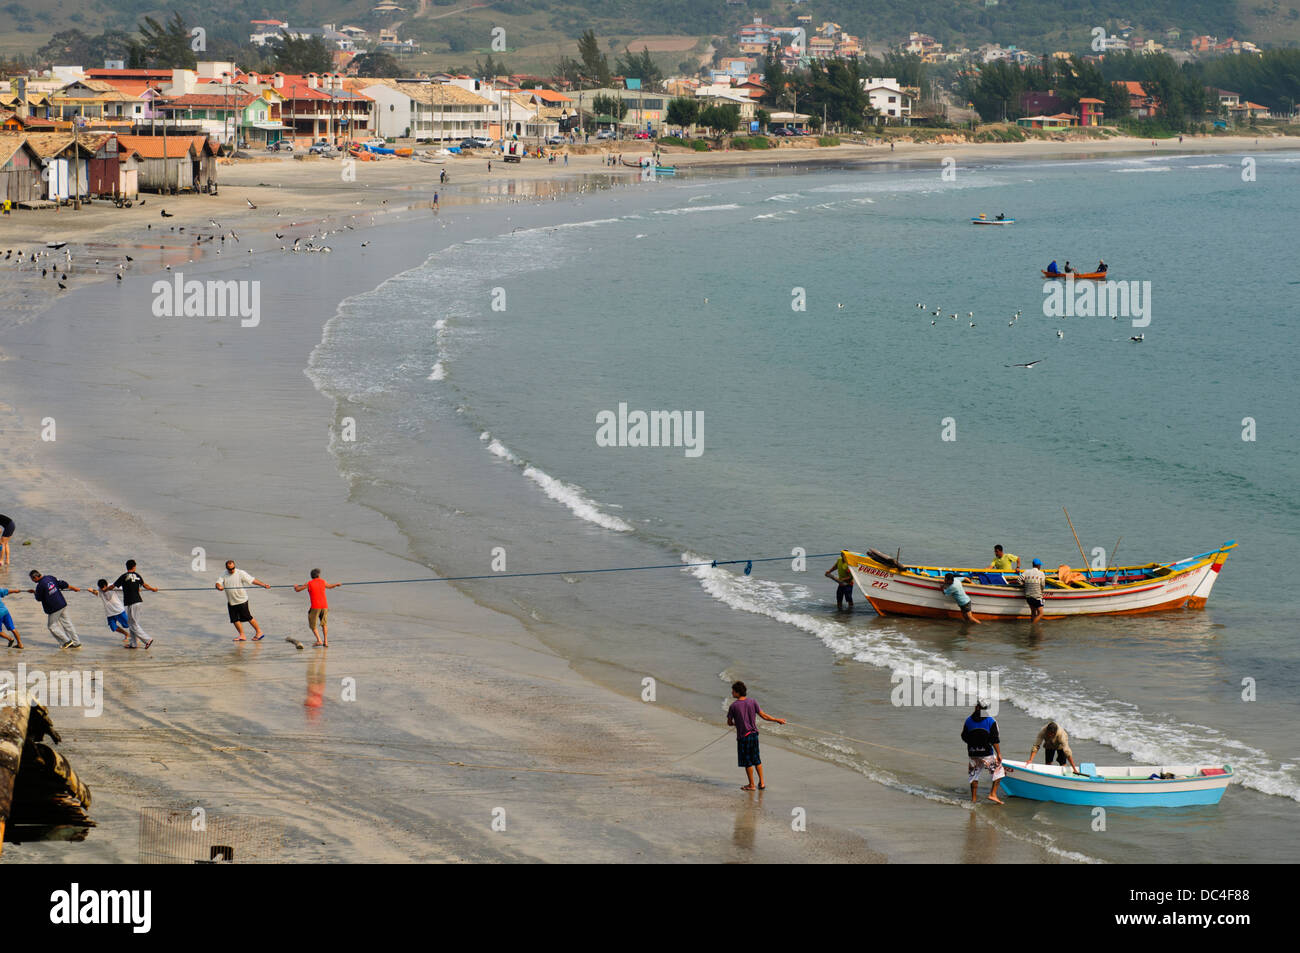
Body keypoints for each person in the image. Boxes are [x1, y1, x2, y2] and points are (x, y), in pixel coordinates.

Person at [726, 680, 786, 791]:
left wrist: (736, 723)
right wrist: (777, 720)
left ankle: (752, 785)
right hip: (754, 735)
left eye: (733, 691)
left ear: (737, 692)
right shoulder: (752, 702)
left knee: (747, 761)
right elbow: (764, 716)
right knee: (756, 759)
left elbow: (729, 723)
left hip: (743, 737)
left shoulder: (733, 706)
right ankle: (762, 783)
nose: (732, 693)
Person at [215, 560, 271, 641]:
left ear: (234, 566)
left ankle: (259, 632)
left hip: (241, 600)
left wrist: (264, 585)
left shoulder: (240, 573)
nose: (232, 570)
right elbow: (218, 583)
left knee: (248, 617)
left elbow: (252, 580)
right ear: (227, 568)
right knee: (234, 619)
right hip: (231, 601)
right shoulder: (224, 574)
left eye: (233, 568)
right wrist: (218, 586)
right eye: (230, 569)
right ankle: (242, 635)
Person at [108, 559, 156, 649]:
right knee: (132, 623)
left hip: (132, 602)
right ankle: (133, 644)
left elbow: (113, 586)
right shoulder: (137, 575)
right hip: (137, 601)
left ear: (127, 567)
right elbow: (145, 585)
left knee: (133, 624)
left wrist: (105, 589)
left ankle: (148, 639)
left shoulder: (123, 576)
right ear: (134, 567)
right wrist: (153, 589)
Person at [27, 569, 82, 648]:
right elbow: (63, 584)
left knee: (52, 626)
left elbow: (38, 598)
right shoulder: (50, 577)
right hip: (62, 604)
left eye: (32, 579)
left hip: (54, 608)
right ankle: (77, 643)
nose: (32, 581)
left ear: (35, 577)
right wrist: (74, 588)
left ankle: (66, 641)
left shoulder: (40, 586)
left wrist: (34, 592)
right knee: (68, 624)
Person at [961, 701, 1003, 803]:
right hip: (987, 753)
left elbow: (964, 736)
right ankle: (992, 794)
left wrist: (973, 744)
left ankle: (974, 799)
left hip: (972, 753)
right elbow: (994, 740)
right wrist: (999, 754)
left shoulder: (968, 720)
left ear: (976, 707)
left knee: (974, 775)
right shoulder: (991, 721)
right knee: (999, 772)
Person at [293, 568, 341, 647]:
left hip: (315, 606)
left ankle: (319, 640)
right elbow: (330, 586)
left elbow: (298, 590)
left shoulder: (309, 583)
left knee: (312, 625)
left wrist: (295, 587)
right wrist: (336, 584)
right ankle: (326, 641)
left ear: (311, 576)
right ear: (318, 575)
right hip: (324, 606)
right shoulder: (323, 581)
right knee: (324, 624)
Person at [87, 578, 133, 645]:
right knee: (113, 627)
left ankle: (135, 637)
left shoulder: (112, 586)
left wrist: (133, 590)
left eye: (104, 588)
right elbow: (98, 593)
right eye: (101, 588)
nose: (103, 590)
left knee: (128, 625)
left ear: (106, 585)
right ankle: (126, 634)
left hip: (119, 610)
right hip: (109, 612)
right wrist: (92, 591)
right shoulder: (100, 589)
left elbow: (124, 588)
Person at [1017, 557, 1047, 622]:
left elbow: (1018, 580)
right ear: (1039, 565)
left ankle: (1033, 624)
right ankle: (1033, 626)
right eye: (1040, 565)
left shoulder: (1026, 572)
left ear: (1032, 564)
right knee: (1041, 613)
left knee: (1033, 612)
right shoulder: (1041, 574)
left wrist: (1024, 585)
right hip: (1037, 597)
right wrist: (1041, 591)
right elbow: (1042, 585)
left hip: (1028, 596)